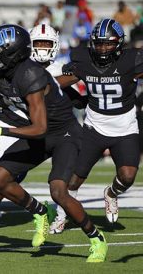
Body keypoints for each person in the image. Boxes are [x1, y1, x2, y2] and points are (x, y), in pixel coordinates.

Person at [0, 24, 106, 262]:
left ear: (10, 54)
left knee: (59, 192)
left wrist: (1, 130)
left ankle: (96, 238)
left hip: (63, 134)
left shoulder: (30, 74)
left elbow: (40, 128)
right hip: (40, 132)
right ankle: (39, 211)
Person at [55, 19, 143, 227]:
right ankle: (62, 214)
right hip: (94, 128)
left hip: (125, 127)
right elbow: (56, 83)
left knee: (128, 176)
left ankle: (111, 193)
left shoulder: (132, 60)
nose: (103, 48)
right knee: (75, 179)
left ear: (119, 44)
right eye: (99, 43)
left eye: (108, 43)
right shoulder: (83, 60)